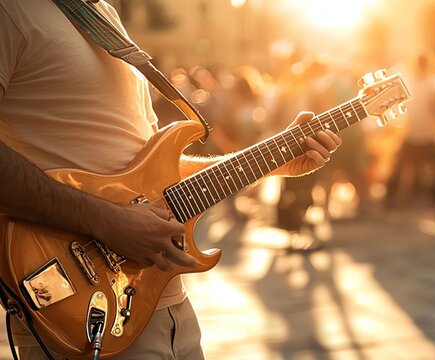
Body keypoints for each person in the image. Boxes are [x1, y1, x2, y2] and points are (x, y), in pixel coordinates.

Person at [0, 1, 341, 359]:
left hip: (160, 304)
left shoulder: (102, 15)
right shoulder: (12, 11)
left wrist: (272, 162)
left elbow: (154, 175)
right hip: (82, 311)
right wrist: (106, 221)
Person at [386, 53, 435, 223]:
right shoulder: (410, 81)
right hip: (410, 134)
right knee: (397, 172)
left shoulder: (434, 83)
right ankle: (388, 206)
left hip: (428, 135)